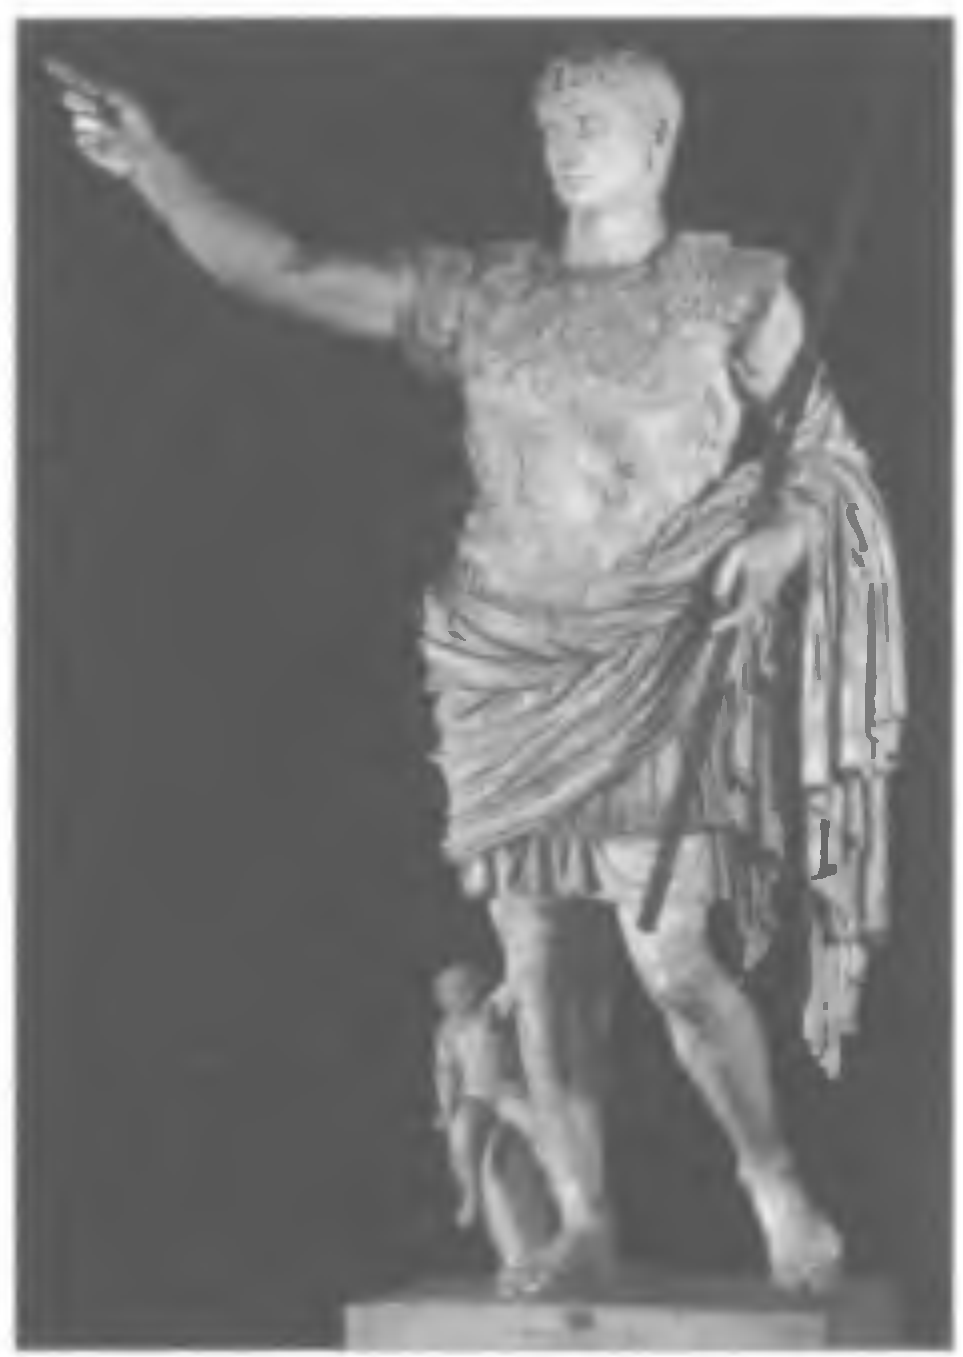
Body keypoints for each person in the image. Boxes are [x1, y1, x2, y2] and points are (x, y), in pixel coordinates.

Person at [48, 42, 905, 1296]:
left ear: (659, 141)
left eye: (593, 122)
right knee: (539, 961)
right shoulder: (487, 295)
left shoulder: (732, 291)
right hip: (505, 658)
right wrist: (157, 171)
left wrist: (775, 540)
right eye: (553, 125)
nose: (566, 145)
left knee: (672, 962)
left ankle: (775, 1186)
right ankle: (582, 1218)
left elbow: (827, 464)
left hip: (651, 652)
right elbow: (286, 270)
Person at [431, 963, 558, 1288]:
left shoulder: (490, 1013)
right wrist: (446, 1108)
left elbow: (514, 986)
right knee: (463, 1140)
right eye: (448, 992)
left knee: (536, 1132)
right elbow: (446, 1073)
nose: (455, 997)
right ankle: (470, 1195)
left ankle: (559, 1175)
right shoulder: (448, 1031)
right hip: (476, 1096)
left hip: (508, 1091)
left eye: (463, 988)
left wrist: (522, 962)